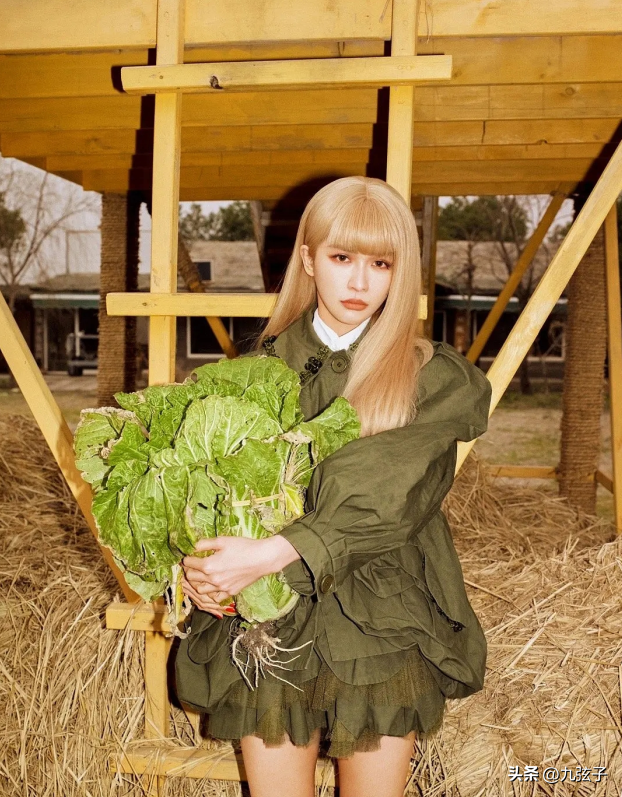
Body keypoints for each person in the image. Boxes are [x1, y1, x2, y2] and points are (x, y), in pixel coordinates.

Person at [175, 175, 492, 797]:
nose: (359, 281)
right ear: (308, 259)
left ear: (400, 273)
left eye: (381, 263)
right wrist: (198, 567)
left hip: (382, 620)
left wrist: (266, 556)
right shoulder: (248, 377)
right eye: (342, 258)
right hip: (270, 624)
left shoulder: (434, 379)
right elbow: (202, 496)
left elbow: (387, 494)